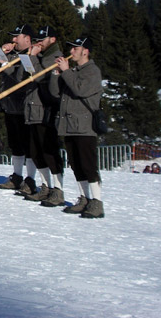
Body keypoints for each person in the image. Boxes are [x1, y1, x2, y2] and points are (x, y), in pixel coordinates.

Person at [52, 36, 105, 218]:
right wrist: (57, 75)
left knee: (88, 164)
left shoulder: (92, 71)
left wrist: (66, 73)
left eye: (76, 48)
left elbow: (80, 90)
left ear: (85, 51)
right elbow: (57, 93)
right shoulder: (73, 71)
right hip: (69, 125)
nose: (71, 51)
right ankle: (84, 198)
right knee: (75, 164)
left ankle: (96, 201)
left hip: (85, 126)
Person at [22, 25, 66, 206]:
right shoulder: (41, 57)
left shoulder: (55, 58)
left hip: (47, 110)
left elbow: (41, 77)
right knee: (35, 150)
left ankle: (58, 188)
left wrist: (32, 57)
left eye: (43, 39)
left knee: (49, 151)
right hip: (34, 109)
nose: (39, 42)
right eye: (38, 39)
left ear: (53, 39)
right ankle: (45, 186)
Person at [0, 24, 36, 192]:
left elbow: (21, 78)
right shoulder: (13, 54)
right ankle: (17, 176)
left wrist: (6, 64)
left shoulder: (32, 55)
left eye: (16, 37)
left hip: (26, 106)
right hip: (10, 105)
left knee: (29, 146)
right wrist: (1, 56)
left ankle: (30, 179)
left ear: (27, 38)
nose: (13, 40)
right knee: (15, 145)